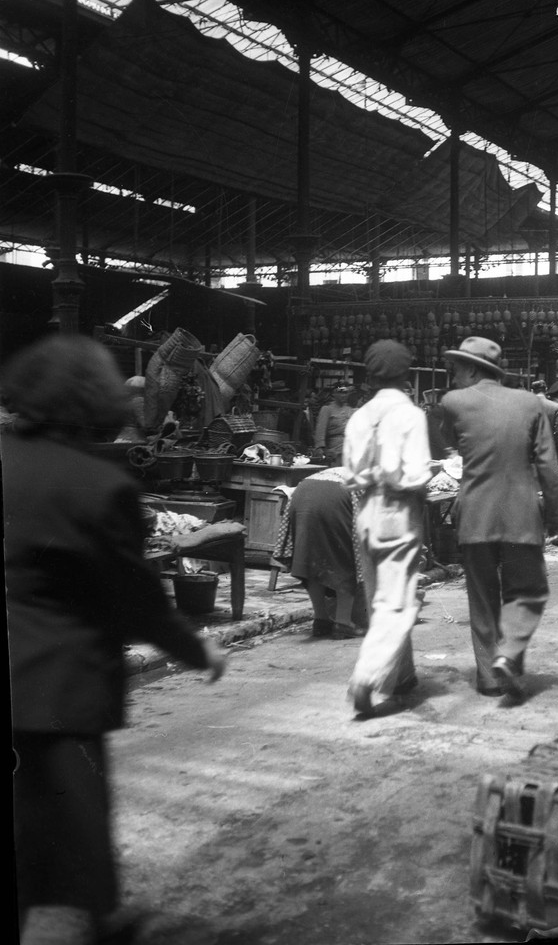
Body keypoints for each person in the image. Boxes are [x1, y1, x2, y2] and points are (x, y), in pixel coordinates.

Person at [4, 334, 226, 945]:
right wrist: (197, 648)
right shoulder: (99, 486)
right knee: (74, 852)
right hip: (61, 692)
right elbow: (137, 600)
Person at [440, 337, 558, 703]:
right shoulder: (531, 403)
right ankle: (509, 656)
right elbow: (547, 465)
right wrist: (555, 514)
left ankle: (488, 678)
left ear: (472, 369)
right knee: (526, 592)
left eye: (457, 370)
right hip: (521, 515)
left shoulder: (453, 402)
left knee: (482, 599)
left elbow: (450, 443)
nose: (454, 377)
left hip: (475, 515)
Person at [342, 341, 432, 717]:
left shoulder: (359, 417)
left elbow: (350, 473)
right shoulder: (410, 415)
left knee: (378, 593)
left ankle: (401, 676)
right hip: (398, 509)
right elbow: (416, 474)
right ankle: (367, 676)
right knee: (396, 601)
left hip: (365, 509)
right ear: (406, 376)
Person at [274, 467, 367, 638]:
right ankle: (343, 623)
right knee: (346, 559)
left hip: (303, 492)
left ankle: (321, 620)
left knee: (312, 559)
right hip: (336, 497)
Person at [314, 384, 354, 465]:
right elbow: (320, 431)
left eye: (345, 393)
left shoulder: (351, 410)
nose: (343, 395)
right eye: (340, 392)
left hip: (350, 450)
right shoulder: (327, 409)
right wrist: (320, 448)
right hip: (334, 451)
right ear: (334, 394)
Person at [531, 380, 558, 457]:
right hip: (547, 451)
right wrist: (556, 450)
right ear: (546, 389)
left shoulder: (524, 406)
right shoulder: (556, 407)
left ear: (532, 390)